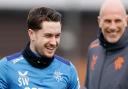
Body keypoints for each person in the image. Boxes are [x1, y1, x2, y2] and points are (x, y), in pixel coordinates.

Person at [0, 7, 80, 89]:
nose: (53, 42)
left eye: (57, 36)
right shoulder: (5, 67)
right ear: (31, 34)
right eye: (48, 35)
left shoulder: (68, 69)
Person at [85, 0, 128, 89]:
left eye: (117, 21)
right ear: (99, 22)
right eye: (108, 21)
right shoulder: (93, 48)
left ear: (126, 21)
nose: (113, 27)